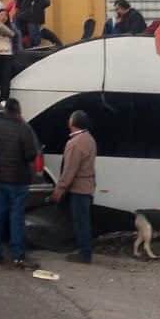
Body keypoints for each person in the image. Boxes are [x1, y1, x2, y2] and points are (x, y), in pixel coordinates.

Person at [0, 99, 38, 268]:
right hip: (18, 180)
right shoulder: (23, 129)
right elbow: (31, 155)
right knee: (16, 217)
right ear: (18, 110)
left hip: (0, 178)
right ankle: (17, 255)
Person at [52, 110, 97, 264]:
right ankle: (84, 252)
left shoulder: (75, 143)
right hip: (87, 187)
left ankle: (84, 255)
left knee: (81, 223)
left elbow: (70, 169)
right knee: (84, 221)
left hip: (79, 189)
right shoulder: (89, 139)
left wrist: (59, 189)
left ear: (72, 123)